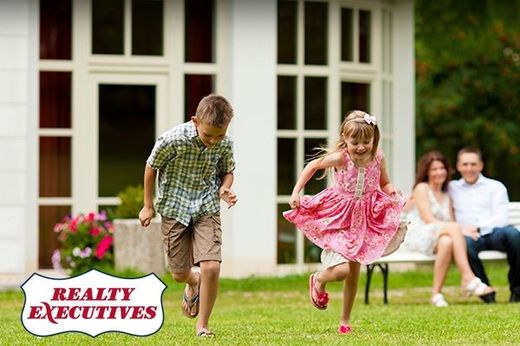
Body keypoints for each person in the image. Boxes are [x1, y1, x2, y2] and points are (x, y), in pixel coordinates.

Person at [283, 110, 406, 334]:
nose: (360, 147)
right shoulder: (341, 157)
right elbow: (312, 166)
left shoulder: (378, 157)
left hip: (365, 217)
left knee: (354, 272)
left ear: (374, 139)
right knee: (342, 271)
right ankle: (319, 278)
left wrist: (392, 191)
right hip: (339, 215)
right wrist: (296, 192)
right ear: (345, 139)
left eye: (366, 142)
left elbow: (385, 182)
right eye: (354, 142)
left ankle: (345, 321)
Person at [139, 94, 238, 337]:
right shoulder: (173, 139)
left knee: (212, 267)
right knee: (178, 273)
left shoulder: (225, 142)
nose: (214, 141)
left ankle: (202, 325)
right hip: (174, 208)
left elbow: (227, 170)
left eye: (220, 135)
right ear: (195, 121)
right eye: (208, 135)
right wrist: (147, 205)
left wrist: (225, 188)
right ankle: (192, 282)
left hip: (206, 206)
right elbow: (151, 166)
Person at [401, 151, 495, 307]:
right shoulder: (421, 188)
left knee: (446, 242)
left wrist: (458, 229)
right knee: (451, 232)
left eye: (442, 168)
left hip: (437, 235)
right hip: (419, 233)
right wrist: (462, 230)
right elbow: (428, 219)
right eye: (434, 169)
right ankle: (468, 276)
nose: (439, 172)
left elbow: (451, 222)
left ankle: (436, 294)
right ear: (427, 172)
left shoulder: (446, 194)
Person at [449, 147, 520, 303]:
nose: (469, 168)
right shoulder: (451, 188)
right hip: (468, 236)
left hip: (495, 233)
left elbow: (501, 218)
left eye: (473, 164)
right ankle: (486, 291)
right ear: (459, 166)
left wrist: (479, 228)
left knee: (515, 235)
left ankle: (517, 291)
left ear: (480, 165)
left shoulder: (495, 187)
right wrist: (463, 230)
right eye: (465, 164)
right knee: (464, 244)